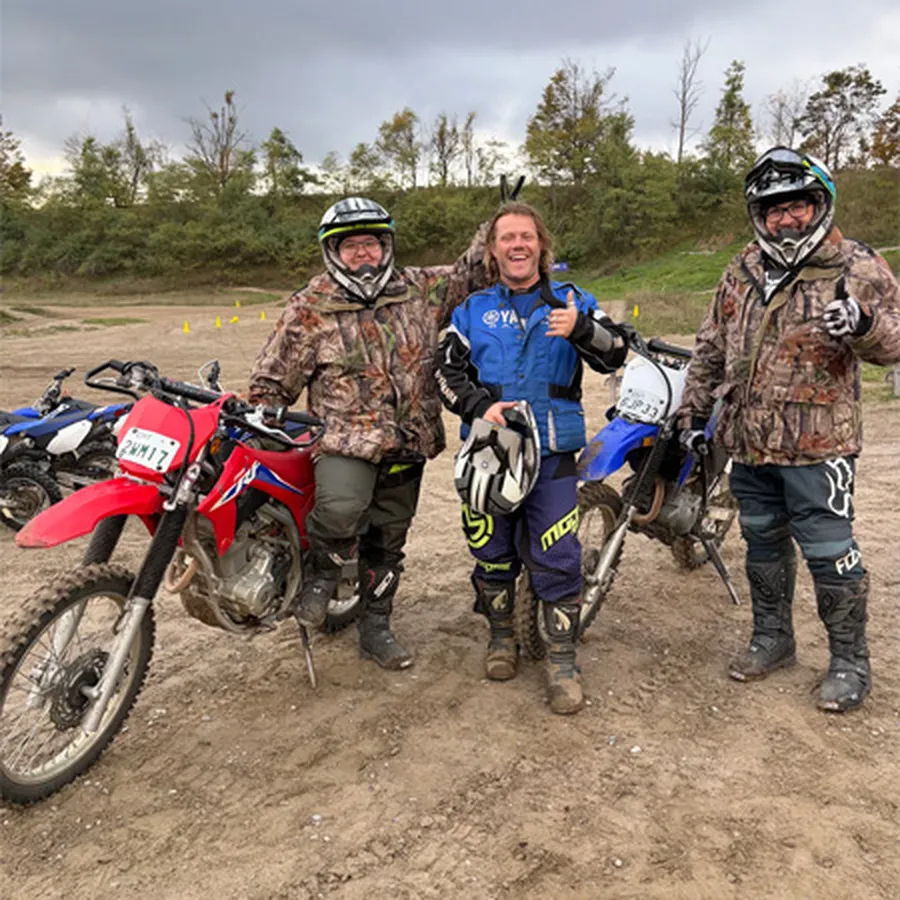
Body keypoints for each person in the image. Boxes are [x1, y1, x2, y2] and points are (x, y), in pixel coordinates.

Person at [679, 146, 900, 712]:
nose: (785, 218)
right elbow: (710, 345)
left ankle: (850, 661)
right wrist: (692, 411)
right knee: (762, 544)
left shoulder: (856, 265)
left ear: (818, 204)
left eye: (796, 205)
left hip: (819, 446)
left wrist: (864, 323)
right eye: (773, 209)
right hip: (749, 441)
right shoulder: (743, 268)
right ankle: (773, 637)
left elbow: (895, 340)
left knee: (831, 553)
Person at [248, 197, 487, 670]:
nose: (364, 254)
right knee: (340, 509)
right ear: (333, 251)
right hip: (343, 438)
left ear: (386, 246)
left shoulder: (419, 288)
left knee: (388, 540)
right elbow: (273, 379)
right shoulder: (310, 305)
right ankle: (321, 574)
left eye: (372, 243)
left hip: (409, 438)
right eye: (351, 245)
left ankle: (376, 624)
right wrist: (264, 416)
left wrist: (496, 227)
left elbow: (472, 273)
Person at [434, 201, 628, 714]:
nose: (517, 245)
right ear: (492, 250)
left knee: (557, 554)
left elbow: (617, 352)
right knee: (490, 550)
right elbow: (443, 373)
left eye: (527, 236)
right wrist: (479, 406)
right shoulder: (471, 309)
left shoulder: (573, 300)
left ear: (541, 246)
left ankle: (562, 659)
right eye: (507, 238)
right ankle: (502, 637)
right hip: (490, 450)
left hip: (553, 449)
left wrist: (582, 329)